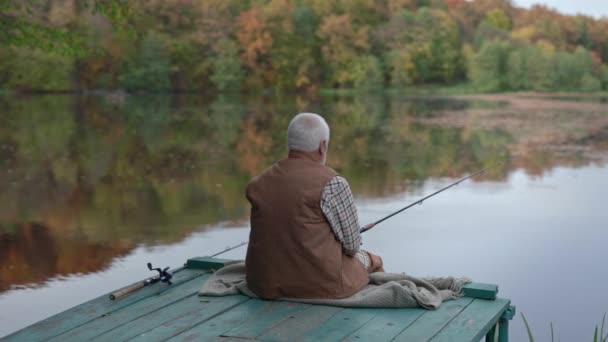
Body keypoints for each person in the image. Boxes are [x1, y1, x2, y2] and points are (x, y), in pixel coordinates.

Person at [245, 112, 384, 300]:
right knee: (373, 260)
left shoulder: (258, 182)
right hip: (322, 286)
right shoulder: (333, 183)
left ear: (291, 143)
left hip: (263, 284)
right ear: (322, 146)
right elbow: (351, 247)